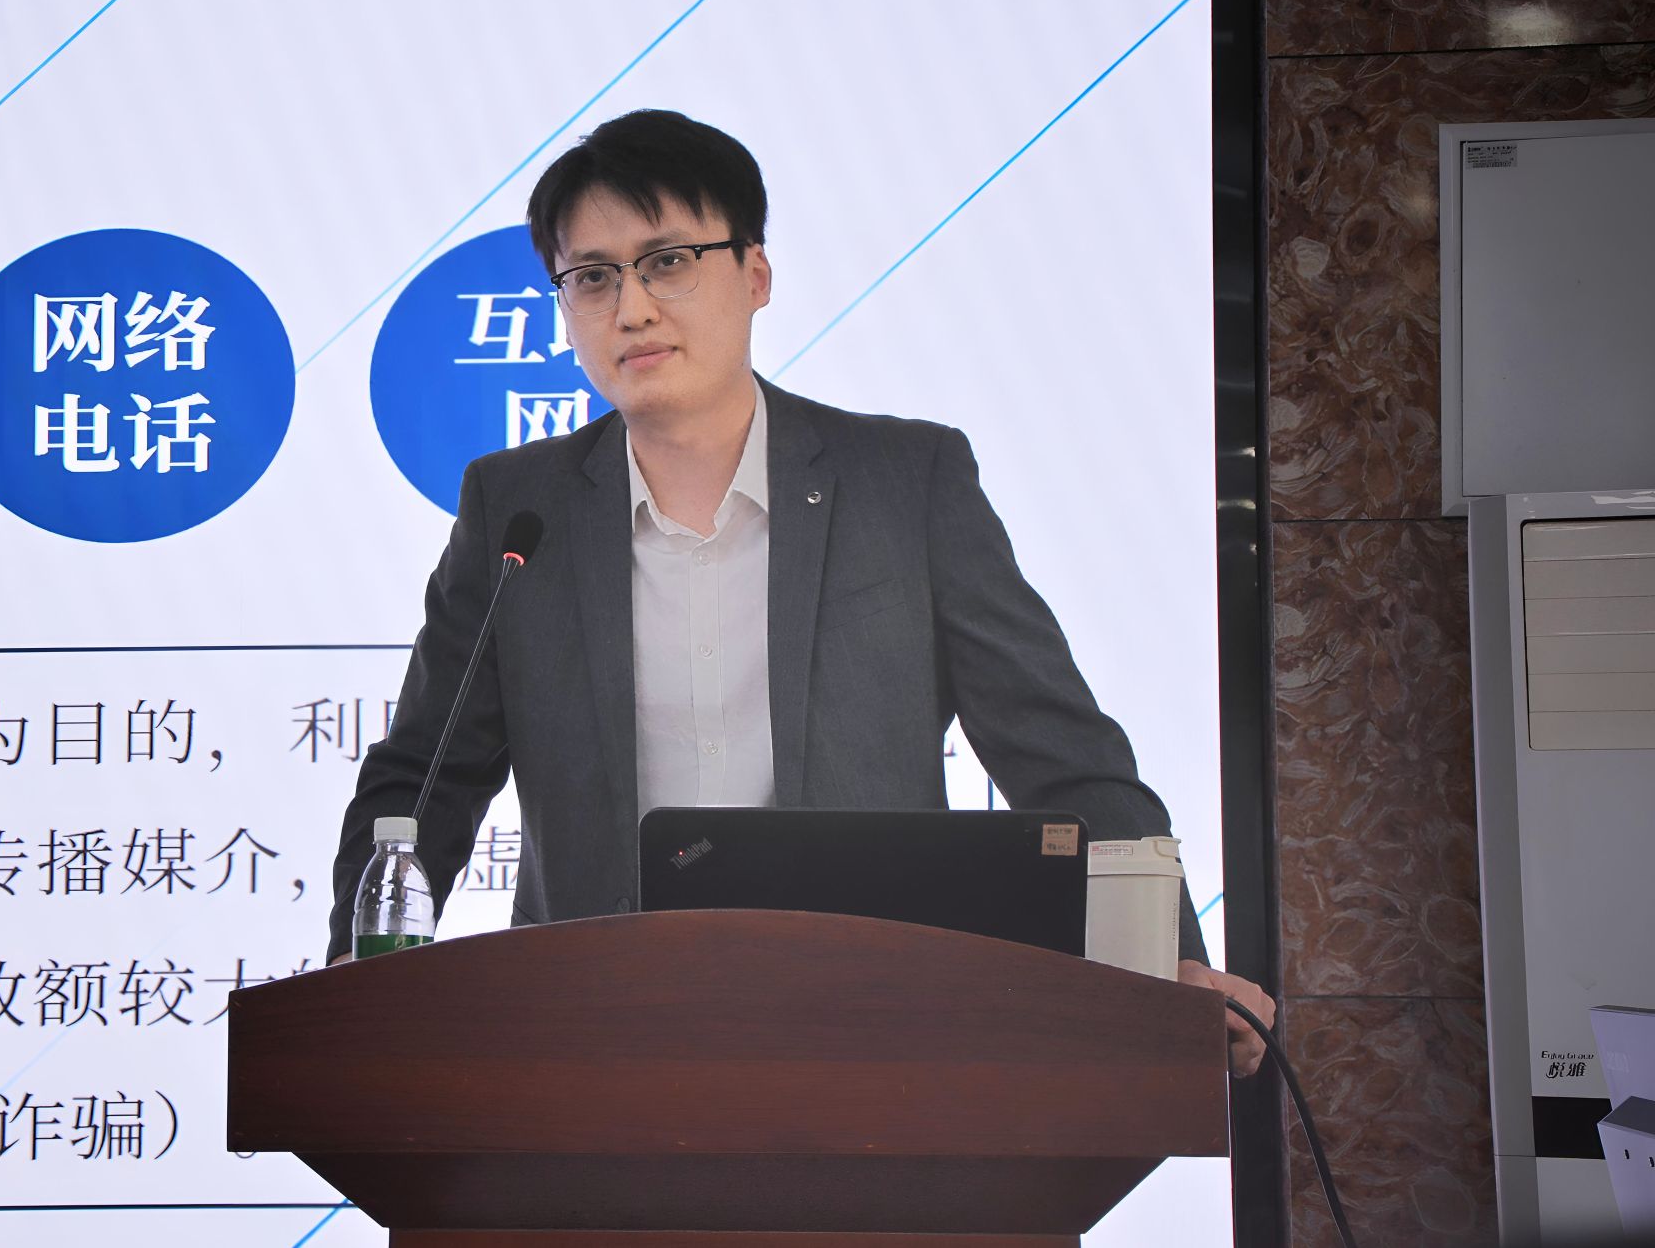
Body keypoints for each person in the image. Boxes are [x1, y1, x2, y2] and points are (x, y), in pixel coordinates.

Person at [328, 109, 1275, 1075]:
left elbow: (1063, 756)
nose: (632, 308)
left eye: (668, 261)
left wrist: (1169, 962)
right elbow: (424, 781)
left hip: (875, 1029)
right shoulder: (519, 510)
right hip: (598, 1038)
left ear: (756, 275)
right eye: (594, 277)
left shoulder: (905, 483)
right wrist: (352, 991)